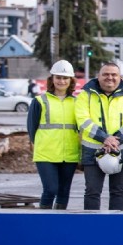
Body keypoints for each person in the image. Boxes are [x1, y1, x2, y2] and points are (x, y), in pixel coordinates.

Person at [75, 63, 123, 210]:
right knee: (92, 192)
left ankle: (116, 228)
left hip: (122, 149)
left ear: (120, 77)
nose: (110, 78)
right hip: (93, 150)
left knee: (119, 192)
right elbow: (82, 119)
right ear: (98, 76)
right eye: (105, 74)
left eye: (114, 75)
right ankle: (92, 227)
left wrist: (116, 140)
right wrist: (104, 138)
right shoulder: (85, 95)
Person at [27, 60, 79, 210]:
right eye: (58, 77)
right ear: (52, 79)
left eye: (65, 78)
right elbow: (32, 128)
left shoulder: (77, 102)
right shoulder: (39, 101)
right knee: (50, 189)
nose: (61, 81)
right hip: (46, 154)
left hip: (69, 153)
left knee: (64, 191)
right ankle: (43, 219)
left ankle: (59, 221)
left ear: (71, 81)